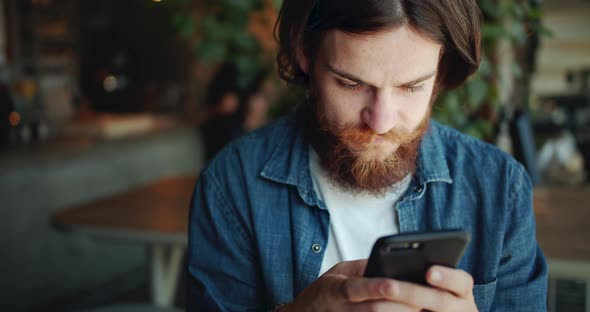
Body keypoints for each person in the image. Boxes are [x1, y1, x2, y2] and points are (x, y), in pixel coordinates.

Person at [187, 0, 548, 311]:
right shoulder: (232, 183)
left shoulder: (501, 186)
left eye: (411, 87)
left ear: (440, 73)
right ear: (305, 54)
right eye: (351, 83)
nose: (380, 121)